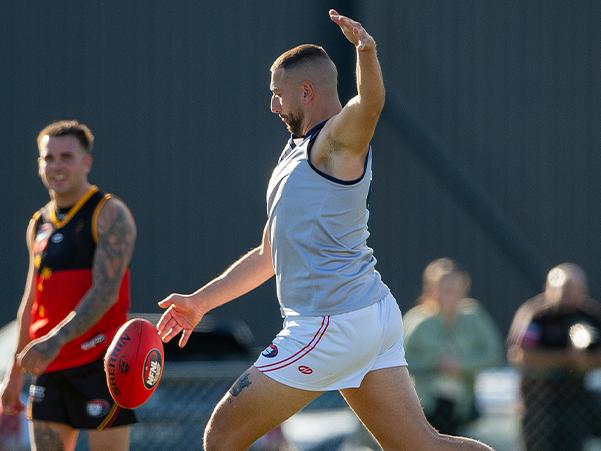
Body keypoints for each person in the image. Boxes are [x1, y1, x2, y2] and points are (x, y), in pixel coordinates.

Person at [156, 10, 493, 450]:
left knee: (221, 435)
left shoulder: (335, 143)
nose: (273, 105)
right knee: (422, 447)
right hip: (365, 314)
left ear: (307, 92)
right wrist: (199, 303)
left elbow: (369, 105)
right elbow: (268, 255)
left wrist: (366, 52)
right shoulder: (295, 151)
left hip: (331, 323)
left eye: (278, 94)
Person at [0, 120, 137, 450]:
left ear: (86, 162)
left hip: (101, 364)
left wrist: (54, 340)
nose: (56, 166)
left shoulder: (108, 213)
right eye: (48, 158)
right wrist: (15, 372)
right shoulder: (39, 223)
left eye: (66, 156)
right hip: (49, 366)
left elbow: (105, 293)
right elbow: (31, 300)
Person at [403, 258, 504, 435]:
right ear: (431, 288)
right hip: (426, 403)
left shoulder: (474, 317)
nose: (451, 292)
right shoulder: (417, 320)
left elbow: (493, 355)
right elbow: (401, 361)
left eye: (456, 286)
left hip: (461, 404)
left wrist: (461, 365)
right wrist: (435, 364)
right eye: (444, 286)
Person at [507, 263, 601, 451]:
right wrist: (566, 359)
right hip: (539, 398)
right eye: (564, 291)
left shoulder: (591, 315)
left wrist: (585, 362)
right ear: (548, 289)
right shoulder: (536, 315)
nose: (568, 297)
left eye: (574, 291)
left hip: (575, 398)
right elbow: (519, 354)